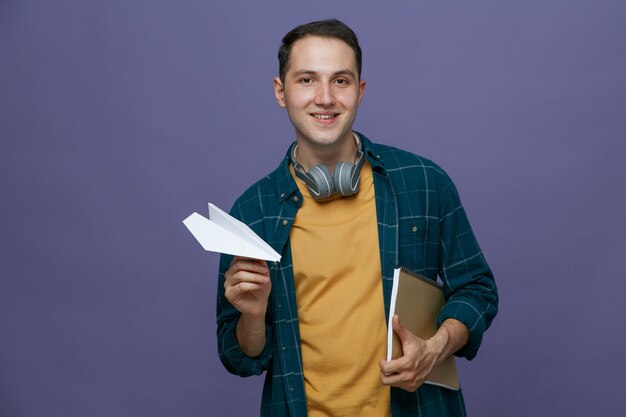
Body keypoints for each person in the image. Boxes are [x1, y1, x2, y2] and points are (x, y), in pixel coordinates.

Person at [216, 19, 498, 417]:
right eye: (307, 80)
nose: (325, 98)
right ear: (281, 92)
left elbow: (478, 290)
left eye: (341, 81)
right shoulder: (251, 211)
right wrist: (253, 316)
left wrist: (436, 347)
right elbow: (240, 357)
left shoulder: (423, 182)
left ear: (360, 91)